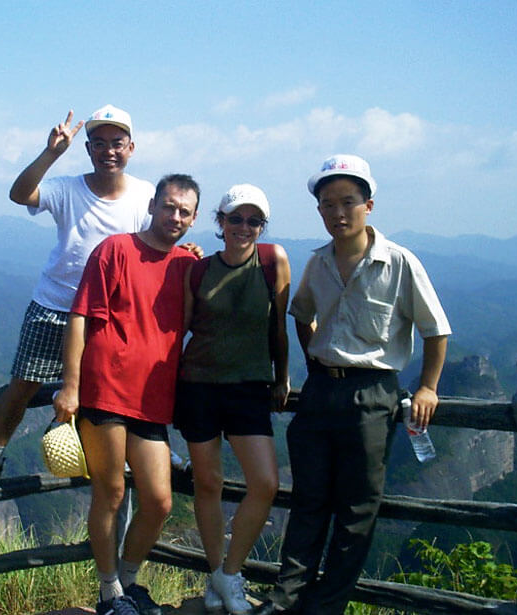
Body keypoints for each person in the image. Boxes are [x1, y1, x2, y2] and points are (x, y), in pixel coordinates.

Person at [263, 154, 452, 615]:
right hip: (322, 390)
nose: (339, 213)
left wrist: (427, 387)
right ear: (320, 212)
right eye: (329, 205)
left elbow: (436, 329)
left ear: (369, 205)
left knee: (356, 511)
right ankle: (285, 600)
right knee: (309, 501)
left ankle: (325, 606)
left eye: (348, 202)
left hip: (373, 393)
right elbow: (301, 314)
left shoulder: (400, 263)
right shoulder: (319, 263)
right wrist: (316, 360)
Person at [0, 104, 156, 506]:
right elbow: (20, 194)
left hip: (107, 313)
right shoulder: (68, 188)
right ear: (87, 149)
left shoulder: (145, 194)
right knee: (22, 386)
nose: (109, 151)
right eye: (100, 143)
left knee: (111, 391)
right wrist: (51, 152)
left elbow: (157, 240)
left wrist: (187, 249)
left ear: (131, 148)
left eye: (117, 143)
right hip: (54, 305)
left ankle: (128, 453)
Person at [53, 174, 201, 615]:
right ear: (153, 205)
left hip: (152, 399)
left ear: (193, 219)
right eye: (169, 206)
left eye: (185, 211)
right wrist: (71, 385)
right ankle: (108, 590)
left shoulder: (187, 266)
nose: (175, 217)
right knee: (111, 492)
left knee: (159, 501)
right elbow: (79, 316)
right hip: (104, 389)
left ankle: (130, 581)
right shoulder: (115, 250)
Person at [174, 184, 291, 614]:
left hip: (249, 386)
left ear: (262, 225)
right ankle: (217, 575)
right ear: (219, 222)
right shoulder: (197, 269)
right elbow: (182, 328)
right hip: (199, 384)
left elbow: (278, 325)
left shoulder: (272, 261)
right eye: (235, 218)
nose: (244, 227)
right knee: (208, 484)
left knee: (265, 483)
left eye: (253, 220)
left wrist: (282, 378)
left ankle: (229, 573)